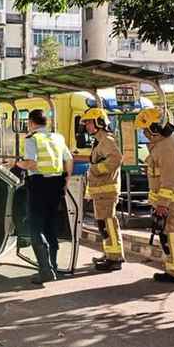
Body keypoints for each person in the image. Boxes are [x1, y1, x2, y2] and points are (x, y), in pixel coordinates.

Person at [135, 108, 174, 283]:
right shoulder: (171, 141)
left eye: (145, 129)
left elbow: (169, 177)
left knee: (171, 233)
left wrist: (162, 203)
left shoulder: (165, 147)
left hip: (170, 200)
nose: (145, 133)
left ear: (155, 128)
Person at [15, 109, 73, 284]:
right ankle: (53, 266)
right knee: (50, 225)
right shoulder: (58, 138)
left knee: (36, 227)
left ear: (31, 123)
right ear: (46, 123)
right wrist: (66, 181)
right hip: (56, 185)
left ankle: (45, 269)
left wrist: (17, 163)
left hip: (38, 185)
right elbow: (69, 160)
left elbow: (31, 163)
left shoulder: (32, 139)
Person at [81, 108, 124, 271]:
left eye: (89, 122)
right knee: (104, 224)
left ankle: (115, 258)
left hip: (107, 191)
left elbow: (116, 159)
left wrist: (95, 170)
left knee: (108, 224)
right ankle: (110, 253)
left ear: (99, 122)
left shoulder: (107, 140)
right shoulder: (100, 140)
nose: (87, 126)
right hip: (101, 191)